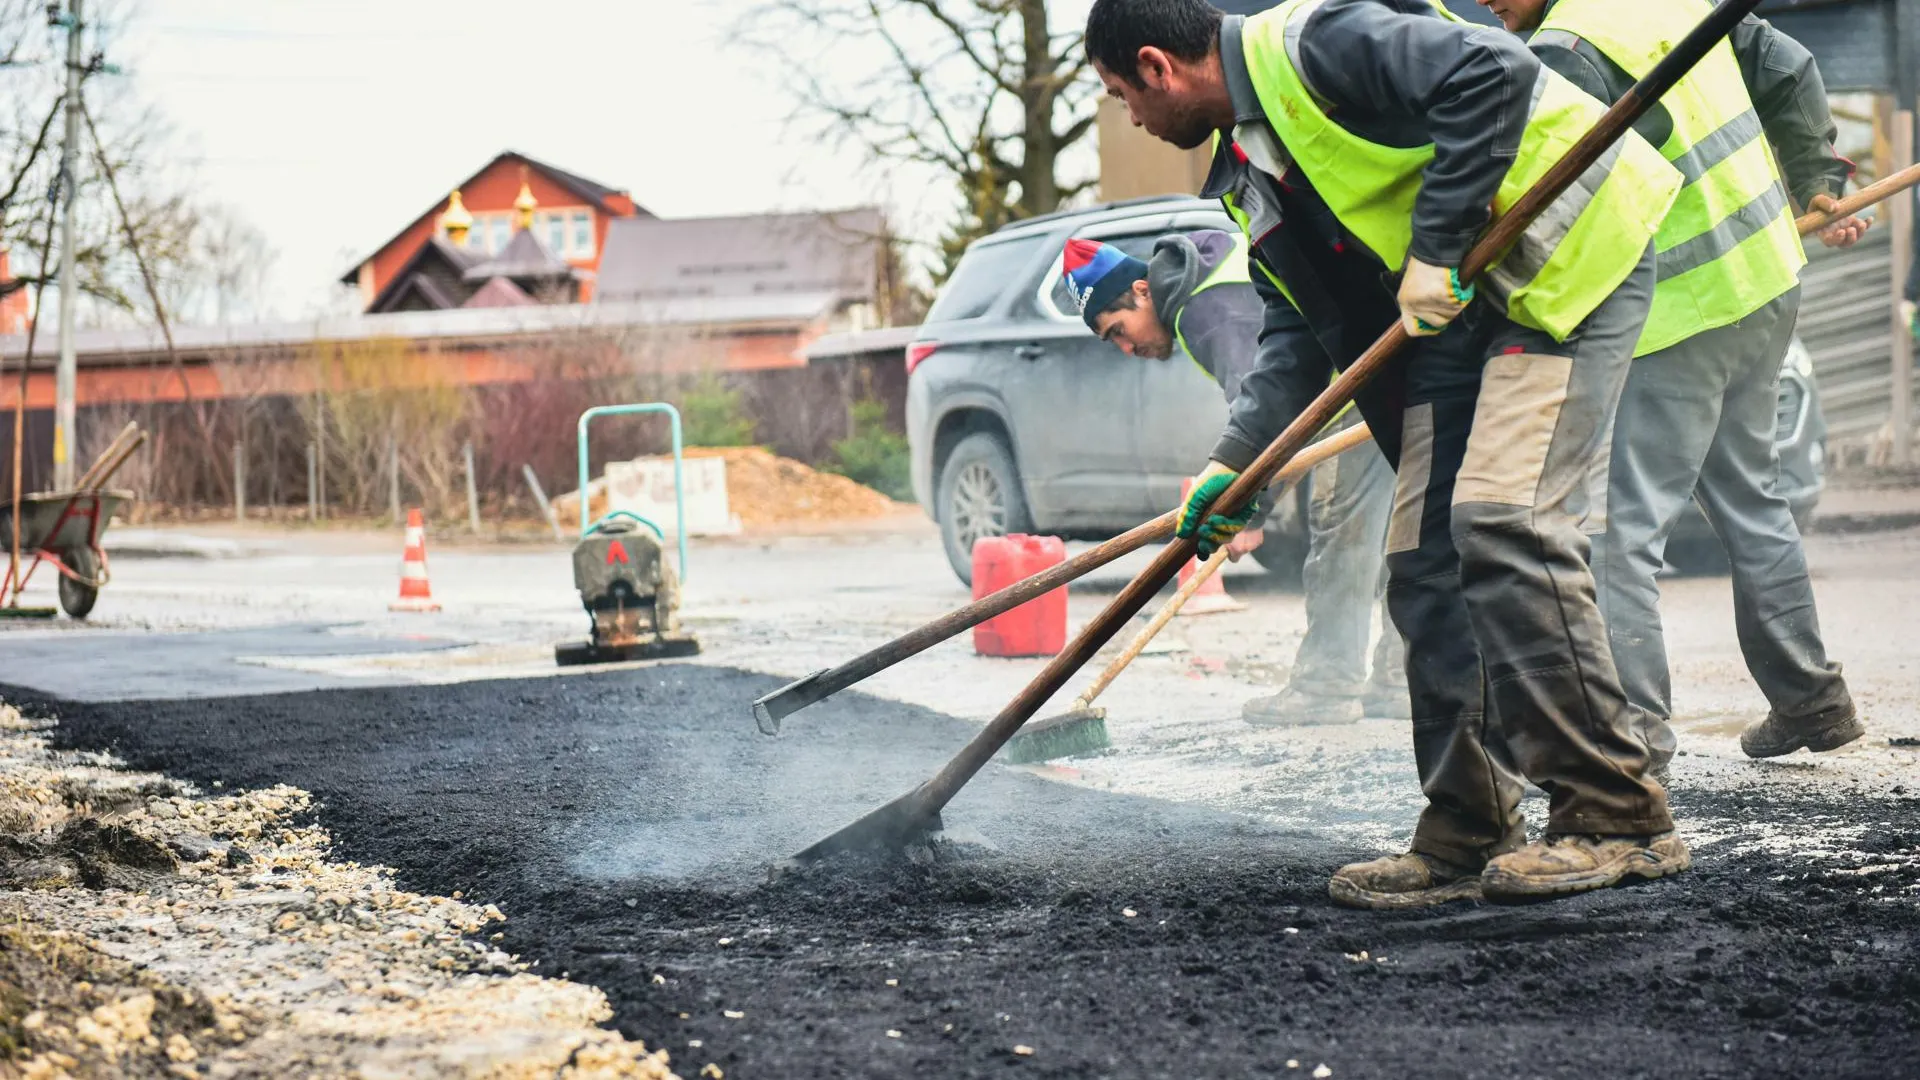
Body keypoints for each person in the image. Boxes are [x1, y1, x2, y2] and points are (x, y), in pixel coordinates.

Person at [1086, 0, 1688, 907]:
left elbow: (1494, 70)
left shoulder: (1314, 42)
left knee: (1503, 519)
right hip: (1459, 322)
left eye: (1122, 95)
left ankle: (1618, 816)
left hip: (1565, 263)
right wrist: (1238, 462)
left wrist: (1438, 246)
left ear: (1157, 66)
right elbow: (1294, 320)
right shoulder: (1249, 164)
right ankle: (1468, 828)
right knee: (1421, 562)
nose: (1131, 116)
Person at [1477, 0, 1871, 773]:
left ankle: (1637, 741)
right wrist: (1816, 175)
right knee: (1752, 494)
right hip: (1762, 280)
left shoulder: (1564, 53)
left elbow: (1573, 213)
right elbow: (1786, 65)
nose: (1485, 3)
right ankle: (1810, 698)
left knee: (1625, 534)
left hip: (1679, 312)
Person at [1062, 232, 1409, 726]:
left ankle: (1326, 688)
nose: (1125, 347)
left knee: (1342, 537)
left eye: (1118, 330)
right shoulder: (1205, 274)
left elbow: (1269, 410)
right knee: (1402, 533)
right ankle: (1399, 681)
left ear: (1142, 290)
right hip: (1376, 376)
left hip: (1350, 396)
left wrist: (1250, 507)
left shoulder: (1204, 312)